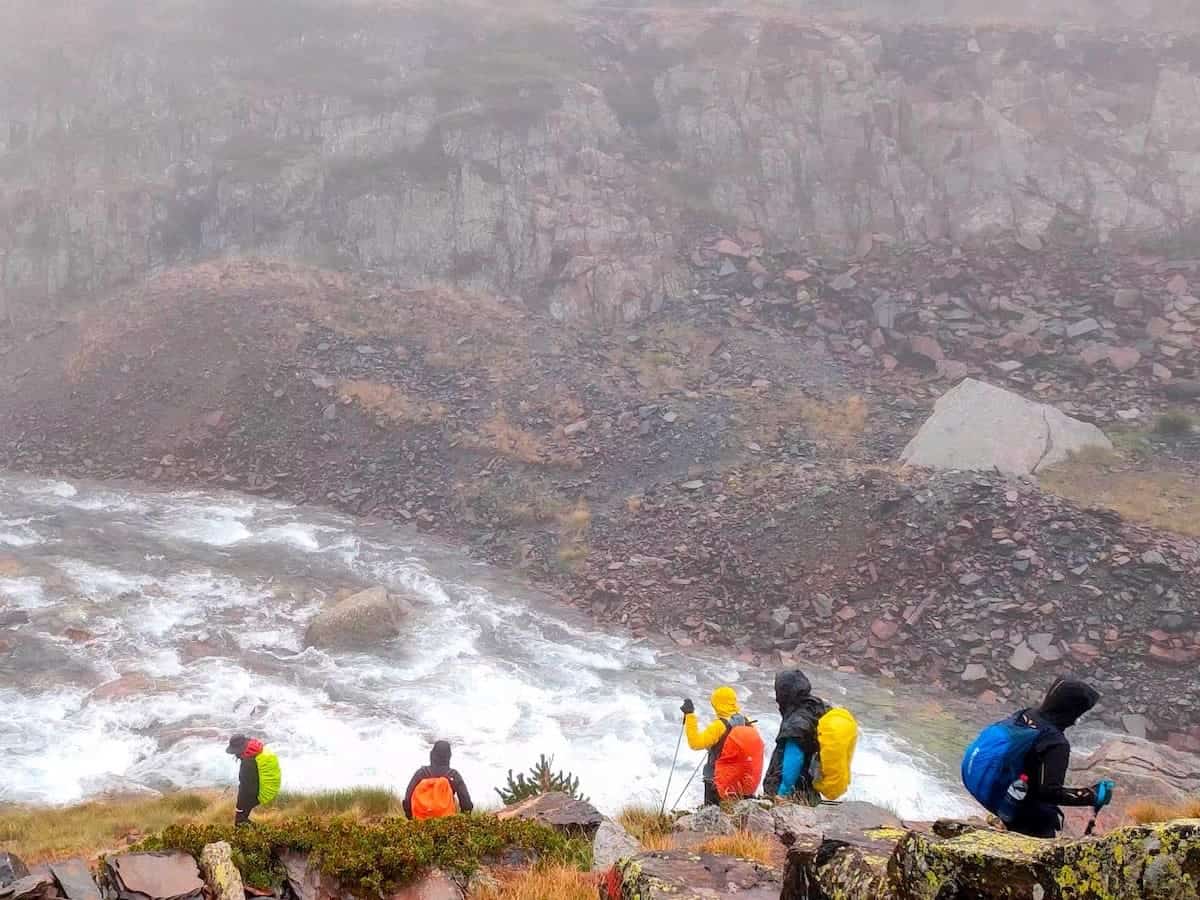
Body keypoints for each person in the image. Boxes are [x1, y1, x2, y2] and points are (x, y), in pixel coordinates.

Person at [1004, 677, 1114, 838]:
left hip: (1005, 793)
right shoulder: (1056, 744)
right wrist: (1092, 795)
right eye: (1081, 712)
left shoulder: (1025, 714)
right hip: (1026, 819)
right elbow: (1049, 793)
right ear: (1072, 710)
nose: (1079, 718)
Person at [681, 685, 765, 806]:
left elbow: (695, 743)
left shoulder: (719, 726)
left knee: (713, 818)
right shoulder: (748, 723)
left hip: (717, 781)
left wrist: (689, 716)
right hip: (743, 781)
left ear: (716, 704)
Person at [763, 669, 829, 804]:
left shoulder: (796, 722)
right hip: (809, 789)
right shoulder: (816, 708)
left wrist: (782, 793)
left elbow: (794, 759)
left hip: (793, 795)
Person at [403, 740, 474, 820]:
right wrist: (458, 824)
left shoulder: (421, 773)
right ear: (449, 757)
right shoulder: (454, 775)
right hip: (446, 825)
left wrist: (412, 819)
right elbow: (467, 805)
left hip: (420, 823)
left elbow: (407, 801)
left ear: (431, 755)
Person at [225, 734, 282, 825]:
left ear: (239, 751)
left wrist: (240, 806)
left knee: (240, 821)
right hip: (269, 788)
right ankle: (257, 832)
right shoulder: (256, 751)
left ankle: (258, 833)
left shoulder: (247, 763)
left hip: (258, 793)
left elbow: (246, 787)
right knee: (243, 817)